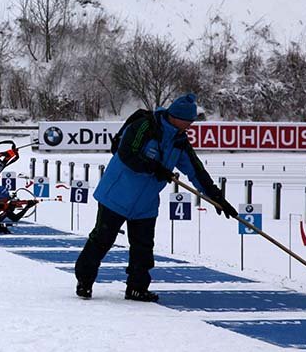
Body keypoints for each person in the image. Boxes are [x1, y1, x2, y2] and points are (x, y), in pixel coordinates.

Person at [74, 93, 238, 302]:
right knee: (102, 240)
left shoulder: (180, 141)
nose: (190, 126)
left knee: (143, 247)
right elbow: (127, 153)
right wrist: (154, 168)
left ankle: (137, 288)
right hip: (116, 194)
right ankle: (84, 282)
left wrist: (217, 198)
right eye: (188, 121)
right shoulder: (145, 126)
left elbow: (196, 172)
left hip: (146, 203)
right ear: (176, 117)